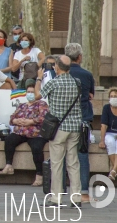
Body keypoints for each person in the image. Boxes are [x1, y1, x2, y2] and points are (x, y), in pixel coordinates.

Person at [34, 55, 82, 208]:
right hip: (74, 127)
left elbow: (36, 96)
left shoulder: (53, 83)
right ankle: (76, 198)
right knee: (73, 163)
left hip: (58, 128)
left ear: (58, 67)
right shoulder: (77, 82)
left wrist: (39, 79)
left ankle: (56, 198)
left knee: (56, 163)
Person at [0, 79, 49, 186]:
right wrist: (16, 121)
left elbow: (44, 117)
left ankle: (39, 175)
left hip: (36, 133)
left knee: (36, 147)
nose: (30, 94)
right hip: (21, 132)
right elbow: (12, 117)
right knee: (9, 140)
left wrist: (31, 121)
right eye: (28, 92)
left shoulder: (41, 104)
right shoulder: (22, 105)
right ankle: (8, 165)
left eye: (32, 92)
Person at [65, 42, 94, 203]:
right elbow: (90, 95)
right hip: (82, 119)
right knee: (82, 155)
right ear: (80, 57)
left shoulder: (60, 74)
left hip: (63, 121)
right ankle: (83, 192)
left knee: (61, 156)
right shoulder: (87, 74)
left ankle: (60, 190)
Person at [99, 88, 117, 181]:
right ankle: (115, 170)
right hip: (110, 133)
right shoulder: (106, 108)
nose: (113, 98)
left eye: (115, 96)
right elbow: (103, 125)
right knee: (110, 142)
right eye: (112, 96)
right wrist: (102, 140)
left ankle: (113, 171)